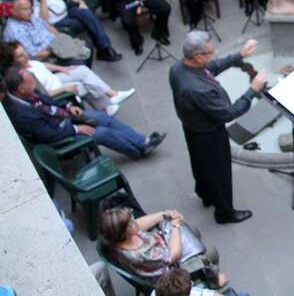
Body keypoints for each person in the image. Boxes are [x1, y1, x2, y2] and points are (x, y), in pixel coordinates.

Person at [169, 31, 267, 224]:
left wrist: (238, 55)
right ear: (198, 56)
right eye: (210, 53)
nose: (213, 55)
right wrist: (252, 90)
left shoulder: (178, 68)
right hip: (209, 135)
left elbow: (209, 68)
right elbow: (228, 113)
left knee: (200, 165)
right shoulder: (199, 89)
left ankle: (205, 194)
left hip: (192, 128)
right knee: (220, 173)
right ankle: (224, 213)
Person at [3, 66, 164, 158]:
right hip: (60, 134)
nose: (34, 85)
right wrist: (76, 129)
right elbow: (48, 135)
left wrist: (67, 106)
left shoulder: (27, 90)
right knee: (102, 133)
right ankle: (137, 151)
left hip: (64, 117)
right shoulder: (21, 114)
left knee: (103, 118)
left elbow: (49, 101)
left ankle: (142, 141)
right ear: (21, 89)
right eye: (31, 83)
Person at [14, 0, 122, 62]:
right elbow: (42, 20)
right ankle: (96, 50)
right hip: (56, 21)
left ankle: (105, 48)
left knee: (86, 12)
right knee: (86, 20)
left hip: (67, 9)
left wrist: (79, 1)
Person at [99, 207, 228, 288]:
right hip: (169, 275)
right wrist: (175, 225)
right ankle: (215, 281)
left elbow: (139, 224)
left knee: (193, 231)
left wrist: (163, 214)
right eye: (131, 222)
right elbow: (174, 254)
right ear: (125, 232)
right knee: (211, 252)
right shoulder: (142, 254)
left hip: (159, 252)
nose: (135, 221)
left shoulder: (113, 240)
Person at [1, 41, 134, 115]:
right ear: (12, 61)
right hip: (56, 89)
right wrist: (64, 89)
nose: (25, 55)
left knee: (81, 70)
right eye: (20, 55)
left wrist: (61, 68)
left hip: (56, 78)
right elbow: (42, 95)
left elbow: (42, 65)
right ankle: (105, 108)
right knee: (82, 86)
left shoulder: (28, 61)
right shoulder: (24, 76)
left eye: (24, 51)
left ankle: (112, 95)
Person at [3, 0, 91, 65]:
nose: (29, 11)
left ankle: (76, 50)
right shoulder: (15, 30)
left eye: (30, 8)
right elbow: (34, 55)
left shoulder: (29, 16)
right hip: (47, 57)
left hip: (58, 44)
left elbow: (48, 26)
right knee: (81, 57)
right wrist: (55, 49)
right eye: (25, 9)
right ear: (14, 11)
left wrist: (61, 39)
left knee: (87, 46)